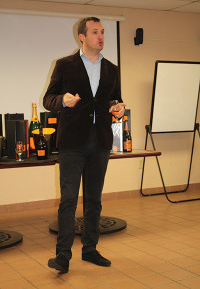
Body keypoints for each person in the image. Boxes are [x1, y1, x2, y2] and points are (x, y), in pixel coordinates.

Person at [43, 17, 126, 274]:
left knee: (94, 200)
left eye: (102, 32)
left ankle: (90, 249)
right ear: (82, 36)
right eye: (95, 32)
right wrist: (62, 101)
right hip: (72, 143)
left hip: (100, 141)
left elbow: (117, 100)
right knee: (68, 200)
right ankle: (63, 256)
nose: (101, 36)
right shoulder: (65, 65)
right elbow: (49, 99)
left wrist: (119, 109)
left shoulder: (112, 69)